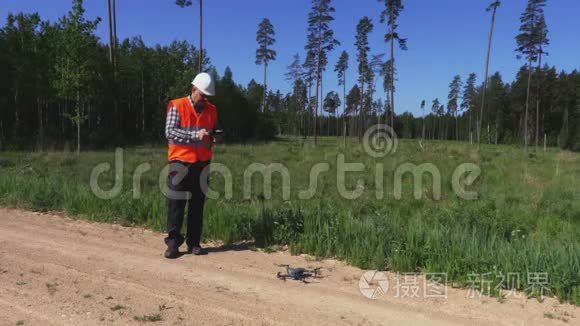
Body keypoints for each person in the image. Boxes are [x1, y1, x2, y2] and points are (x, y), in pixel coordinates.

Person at [164, 72, 222, 259]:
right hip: (179, 162)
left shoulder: (212, 109)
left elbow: (218, 131)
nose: (204, 99)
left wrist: (214, 137)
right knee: (176, 204)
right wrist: (195, 136)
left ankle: (194, 243)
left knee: (197, 205)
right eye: (202, 94)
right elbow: (170, 132)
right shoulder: (177, 105)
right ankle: (173, 243)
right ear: (193, 89)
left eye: (207, 96)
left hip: (202, 164)